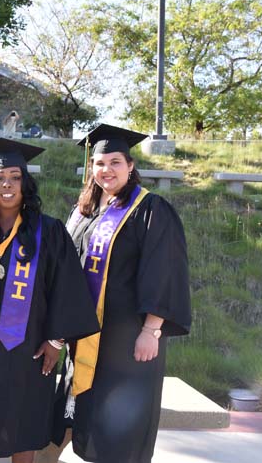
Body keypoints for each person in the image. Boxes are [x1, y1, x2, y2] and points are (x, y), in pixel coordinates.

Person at [0, 137, 100, 463]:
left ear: (25, 183)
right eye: (0, 178)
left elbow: (66, 288)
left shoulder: (49, 231)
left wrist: (56, 341)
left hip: (28, 347)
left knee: (24, 416)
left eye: (15, 178)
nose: (7, 185)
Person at [60, 124, 191, 463]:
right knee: (93, 425)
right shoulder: (83, 211)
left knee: (122, 432)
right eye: (100, 163)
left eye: (116, 162)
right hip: (89, 337)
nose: (107, 170)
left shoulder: (149, 210)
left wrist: (151, 330)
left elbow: (164, 272)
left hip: (129, 341)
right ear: (92, 167)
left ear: (131, 166)